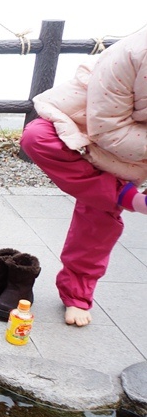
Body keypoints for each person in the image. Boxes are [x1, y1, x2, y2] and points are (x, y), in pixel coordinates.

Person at [21, 28, 147, 327]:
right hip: (90, 123)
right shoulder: (131, 53)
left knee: (99, 215)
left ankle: (77, 294)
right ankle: (122, 195)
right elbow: (107, 129)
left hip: (133, 139)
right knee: (37, 137)